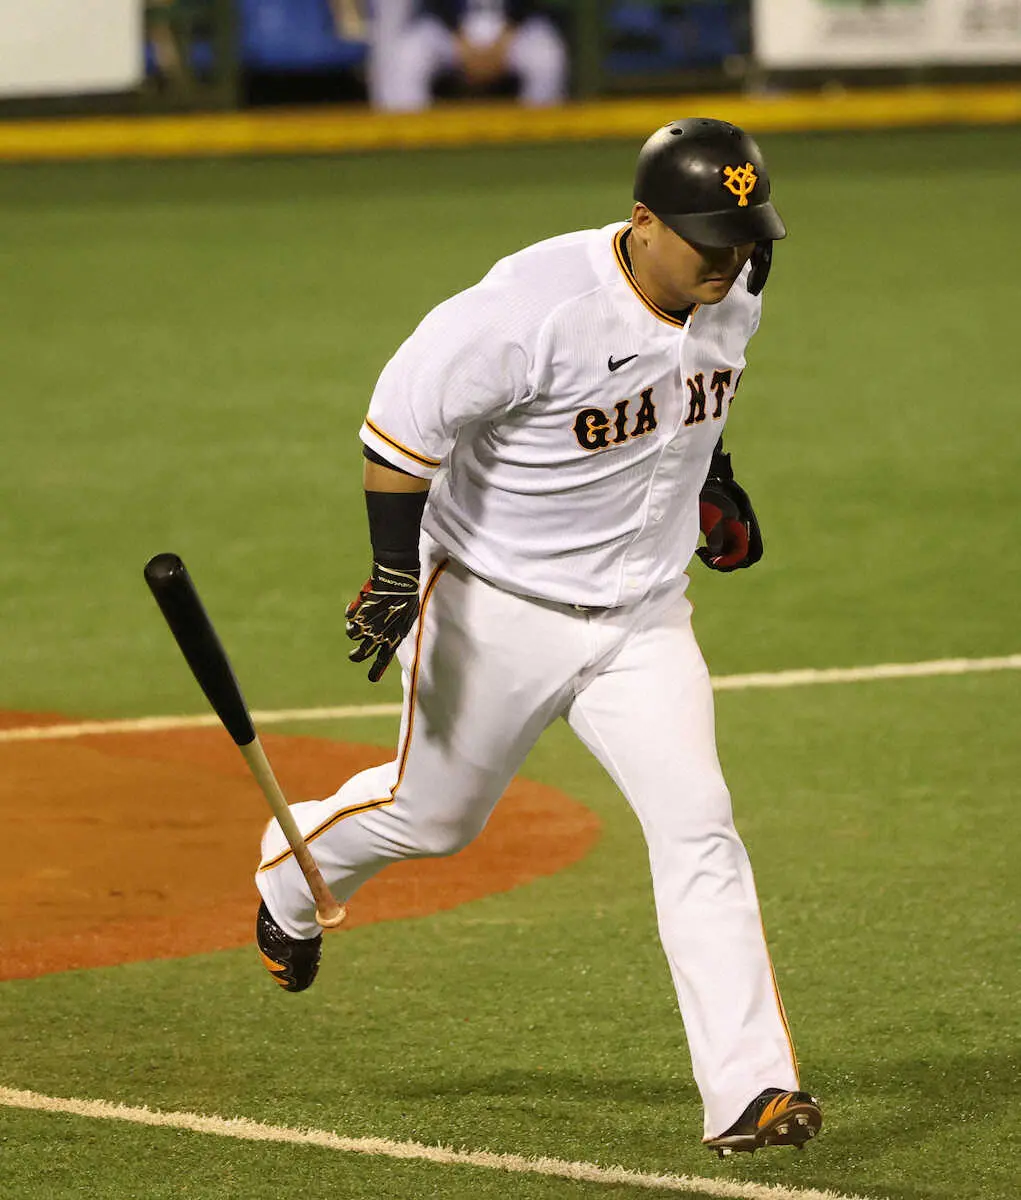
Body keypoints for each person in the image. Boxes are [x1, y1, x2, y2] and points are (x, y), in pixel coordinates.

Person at [254, 117, 823, 1157]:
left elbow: (692, 387)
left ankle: (751, 1090)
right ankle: (290, 876)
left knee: (699, 828)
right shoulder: (529, 311)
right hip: (493, 608)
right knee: (433, 819)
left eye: (744, 236)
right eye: (709, 238)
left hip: (643, 622)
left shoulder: (739, 279)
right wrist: (394, 573)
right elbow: (399, 432)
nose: (730, 258)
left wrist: (715, 480)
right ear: (642, 221)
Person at [368, 0, 567, 111]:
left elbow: (531, 4)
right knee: (409, 55)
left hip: (511, 29)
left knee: (548, 57)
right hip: (452, 30)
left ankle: (535, 134)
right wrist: (459, 39)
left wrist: (505, 39)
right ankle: (411, 137)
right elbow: (435, 5)